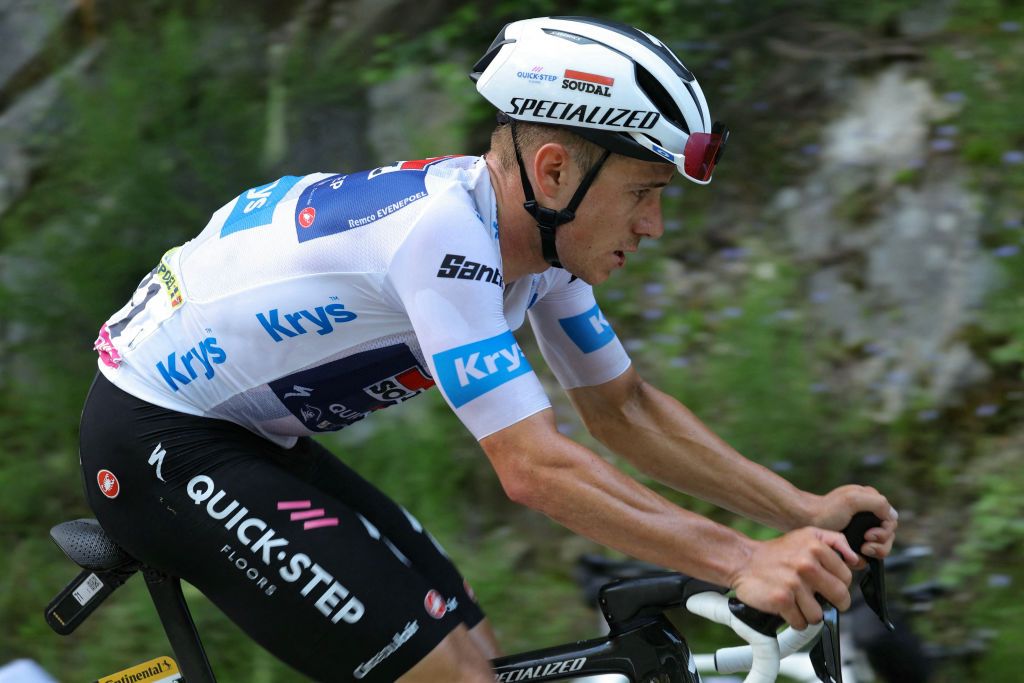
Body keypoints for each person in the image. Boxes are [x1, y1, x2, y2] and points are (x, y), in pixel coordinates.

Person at [78, 15, 898, 683]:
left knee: (475, 650)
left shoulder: (539, 247)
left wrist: (799, 511)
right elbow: (533, 467)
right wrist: (743, 557)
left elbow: (623, 409)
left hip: (251, 436)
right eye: (644, 194)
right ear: (552, 170)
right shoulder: (442, 238)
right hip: (158, 441)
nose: (653, 225)